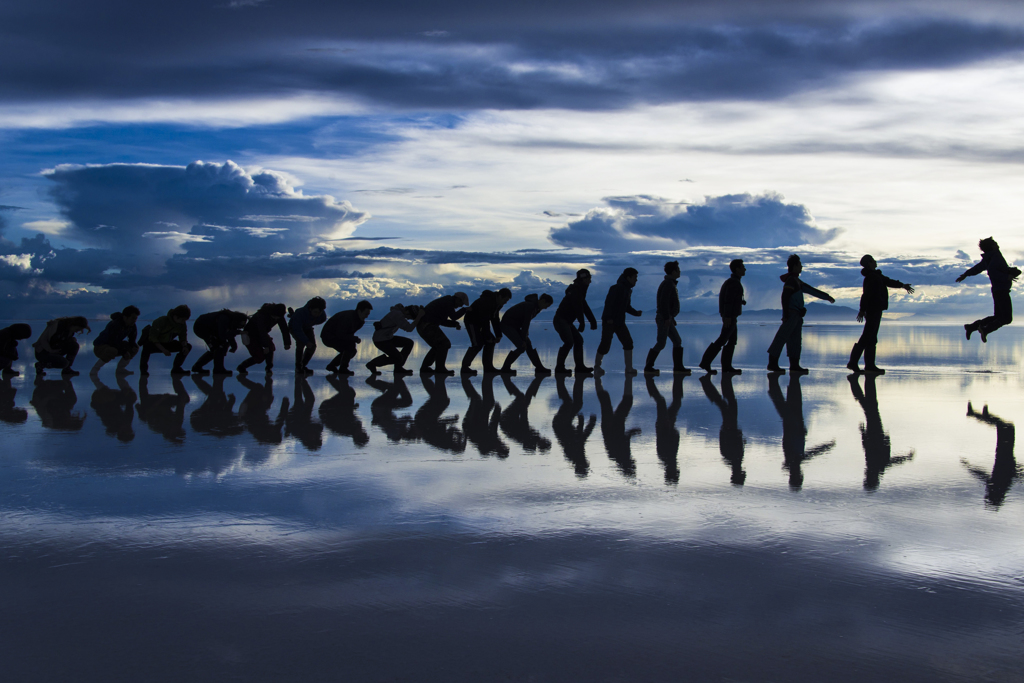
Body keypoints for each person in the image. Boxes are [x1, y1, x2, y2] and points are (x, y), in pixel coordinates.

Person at [766, 254, 835, 374]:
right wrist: (785, 314)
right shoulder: (791, 280)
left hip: (797, 315)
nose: (801, 267)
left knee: (796, 341)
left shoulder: (797, 281)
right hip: (791, 314)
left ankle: (794, 365)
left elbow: (811, 290)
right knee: (781, 338)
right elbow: (785, 297)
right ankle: (772, 364)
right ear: (794, 266)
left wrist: (826, 297)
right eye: (800, 265)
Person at [848, 255, 914, 374]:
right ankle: (853, 362)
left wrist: (903, 285)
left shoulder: (877, 276)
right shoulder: (871, 277)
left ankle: (869, 365)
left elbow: (889, 281)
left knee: (872, 338)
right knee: (867, 337)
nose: (875, 262)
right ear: (869, 263)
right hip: (872, 310)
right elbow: (866, 294)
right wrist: (862, 310)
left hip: (876, 309)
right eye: (873, 260)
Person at [957, 237, 1019, 343]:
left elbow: (978, 268)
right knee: (1006, 318)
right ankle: (985, 329)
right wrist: (1006, 277)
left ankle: (972, 327)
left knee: (998, 317)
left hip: (998, 290)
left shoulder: (990, 257)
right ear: (992, 246)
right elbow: (992, 272)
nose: (997, 244)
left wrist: (966, 274)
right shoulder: (995, 257)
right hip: (1001, 290)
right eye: (995, 243)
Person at [699, 259, 746, 375]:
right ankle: (706, 362)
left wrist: (740, 302)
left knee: (731, 341)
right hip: (730, 317)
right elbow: (728, 301)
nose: (745, 269)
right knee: (723, 339)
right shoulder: (733, 283)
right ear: (737, 269)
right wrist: (727, 316)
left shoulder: (733, 282)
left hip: (731, 316)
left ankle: (726, 367)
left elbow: (730, 299)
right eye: (742, 267)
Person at [594, 268, 643, 376]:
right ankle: (597, 367)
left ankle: (629, 368)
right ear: (628, 277)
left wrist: (636, 313)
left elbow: (626, 307)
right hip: (609, 321)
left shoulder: (627, 290)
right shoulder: (616, 288)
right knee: (605, 344)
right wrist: (608, 318)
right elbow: (609, 303)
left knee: (628, 342)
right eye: (635, 278)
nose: (636, 280)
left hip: (620, 322)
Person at [644, 261, 689, 376]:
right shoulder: (668, 284)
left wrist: (671, 317)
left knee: (677, 341)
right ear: (673, 272)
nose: (679, 272)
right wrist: (666, 318)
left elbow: (667, 303)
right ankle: (648, 366)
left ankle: (678, 367)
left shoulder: (670, 283)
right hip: (664, 318)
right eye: (678, 270)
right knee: (661, 343)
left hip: (667, 318)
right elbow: (663, 302)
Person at [553, 269, 597, 376]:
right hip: (561, 320)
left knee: (578, 340)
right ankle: (559, 368)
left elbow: (584, 307)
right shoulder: (576, 291)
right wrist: (582, 323)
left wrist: (592, 321)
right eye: (589, 279)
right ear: (584, 279)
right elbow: (578, 307)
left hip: (566, 321)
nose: (590, 281)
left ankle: (579, 367)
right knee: (569, 342)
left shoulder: (579, 291)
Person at [461, 288, 512, 375]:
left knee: (491, 342)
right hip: (472, 321)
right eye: (505, 300)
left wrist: (498, 335)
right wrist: (487, 336)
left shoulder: (498, 304)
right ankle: (465, 368)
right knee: (477, 344)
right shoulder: (486, 301)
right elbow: (485, 320)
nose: (505, 302)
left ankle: (488, 367)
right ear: (499, 296)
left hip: (481, 322)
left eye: (507, 301)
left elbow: (495, 318)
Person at [498, 293, 553, 375]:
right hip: (507, 325)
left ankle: (539, 367)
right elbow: (526, 322)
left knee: (528, 345)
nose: (545, 308)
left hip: (514, 326)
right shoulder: (531, 306)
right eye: (546, 305)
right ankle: (505, 368)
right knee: (521, 346)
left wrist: (525, 335)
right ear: (542, 301)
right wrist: (524, 338)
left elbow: (525, 322)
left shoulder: (536, 308)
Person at [417, 292, 468, 374]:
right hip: (427, 325)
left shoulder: (446, 301)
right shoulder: (448, 302)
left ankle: (425, 368)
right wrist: (465, 310)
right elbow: (454, 317)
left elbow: (442, 321)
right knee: (444, 344)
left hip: (423, 326)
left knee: (438, 346)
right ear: (458, 299)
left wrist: (454, 324)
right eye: (461, 303)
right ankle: (439, 368)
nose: (461, 306)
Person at [367, 303, 424, 375]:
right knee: (398, 358)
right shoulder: (397, 314)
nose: (408, 319)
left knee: (409, 343)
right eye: (409, 317)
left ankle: (398, 368)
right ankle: (372, 364)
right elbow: (409, 328)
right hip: (381, 340)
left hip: (387, 338)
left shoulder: (397, 313)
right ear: (408, 312)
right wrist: (419, 316)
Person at [237, 303, 291, 375]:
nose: (276, 319)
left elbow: (284, 329)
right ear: (272, 313)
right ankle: (242, 367)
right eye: (275, 317)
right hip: (250, 334)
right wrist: (266, 346)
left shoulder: (279, 315)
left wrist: (287, 343)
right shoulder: (261, 315)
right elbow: (261, 331)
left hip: (262, 334)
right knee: (259, 357)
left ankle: (268, 368)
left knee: (271, 347)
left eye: (278, 318)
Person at [320, 300, 372, 375]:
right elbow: (341, 334)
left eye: (368, 314)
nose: (367, 316)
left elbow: (347, 334)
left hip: (335, 336)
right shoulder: (348, 318)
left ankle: (332, 366)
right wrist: (354, 338)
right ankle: (342, 368)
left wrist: (353, 338)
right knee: (350, 347)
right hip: (328, 337)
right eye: (366, 314)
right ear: (359, 311)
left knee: (351, 350)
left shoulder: (359, 320)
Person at [191, 309, 248, 376]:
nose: (242, 325)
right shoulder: (225, 319)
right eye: (242, 323)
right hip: (201, 328)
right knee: (218, 346)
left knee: (218, 347)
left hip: (210, 328)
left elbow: (228, 333)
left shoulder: (231, 321)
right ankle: (218, 369)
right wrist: (238, 332)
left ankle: (198, 367)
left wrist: (233, 345)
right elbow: (223, 335)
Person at [139, 304, 192, 376]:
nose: (183, 322)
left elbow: (183, 337)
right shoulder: (161, 321)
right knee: (146, 347)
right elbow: (153, 338)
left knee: (188, 347)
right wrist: (163, 349)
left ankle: (176, 368)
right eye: (182, 319)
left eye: (185, 320)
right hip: (156, 344)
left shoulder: (181, 325)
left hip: (168, 343)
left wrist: (185, 346)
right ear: (176, 316)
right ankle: (143, 370)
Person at [91, 306, 140, 376]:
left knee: (134, 348)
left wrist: (131, 348)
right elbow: (112, 341)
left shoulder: (132, 326)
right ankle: (94, 370)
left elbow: (132, 340)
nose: (134, 320)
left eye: (135, 318)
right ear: (125, 317)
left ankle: (121, 369)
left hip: (114, 345)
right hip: (100, 347)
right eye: (133, 318)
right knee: (112, 350)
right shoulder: (115, 324)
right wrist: (124, 352)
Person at [288, 296, 327, 375]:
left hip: (307, 327)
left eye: (319, 312)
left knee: (312, 346)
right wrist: (306, 341)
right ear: (310, 309)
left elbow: (321, 320)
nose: (317, 314)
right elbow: (297, 330)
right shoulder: (300, 313)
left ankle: (303, 366)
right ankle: (298, 367)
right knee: (301, 343)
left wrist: (309, 324)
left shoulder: (322, 315)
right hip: (294, 327)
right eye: (315, 312)